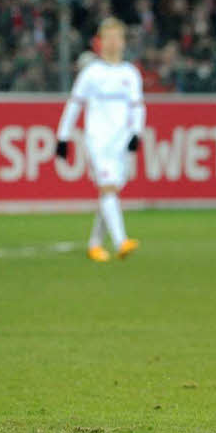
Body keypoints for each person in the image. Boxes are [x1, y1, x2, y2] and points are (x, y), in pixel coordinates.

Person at [56, 17, 145, 262]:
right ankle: (121, 241)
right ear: (100, 42)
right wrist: (63, 137)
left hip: (121, 140)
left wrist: (136, 133)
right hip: (98, 139)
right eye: (109, 37)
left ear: (124, 42)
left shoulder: (130, 73)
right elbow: (75, 105)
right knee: (108, 188)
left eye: (118, 37)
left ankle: (95, 244)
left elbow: (138, 106)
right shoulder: (91, 73)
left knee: (111, 193)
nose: (114, 42)